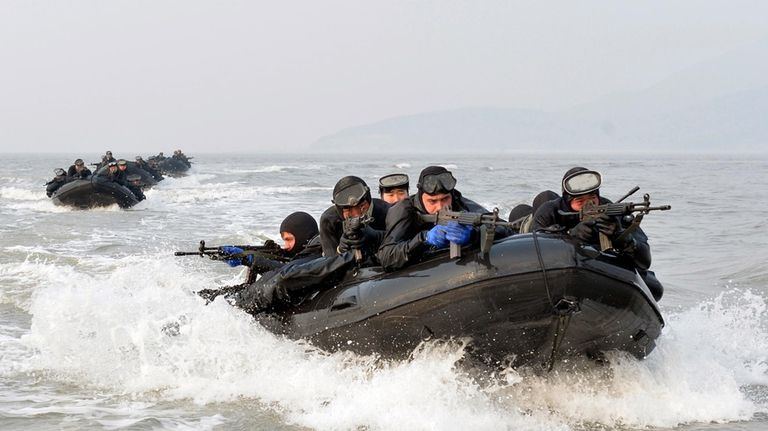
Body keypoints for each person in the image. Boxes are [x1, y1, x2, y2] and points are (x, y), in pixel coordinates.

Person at [531, 167, 663, 300]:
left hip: (598, 269)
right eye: (580, 202)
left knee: (654, 288)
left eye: (593, 199)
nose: (589, 205)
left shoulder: (611, 210)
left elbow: (644, 262)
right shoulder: (551, 211)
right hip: (560, 270)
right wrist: (569, 236)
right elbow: (534, 252)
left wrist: (623, 239)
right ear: (567, 200)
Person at [377, 166, 505, 272]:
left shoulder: (459, 202)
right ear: (421, 197)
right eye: (432, 201)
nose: (440, 207)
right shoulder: (403, 210)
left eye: (445, 199)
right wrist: (424, 239)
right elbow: (387, 257)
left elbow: (500, 226)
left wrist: (474, 235)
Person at [318, 176, 389, 260]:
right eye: (348, 209)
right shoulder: (329, 221)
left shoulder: (387, 211)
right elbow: (328, 264)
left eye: (362, 206)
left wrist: (378, 237)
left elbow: (403, 244)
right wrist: (340, 250)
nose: (356, 214)